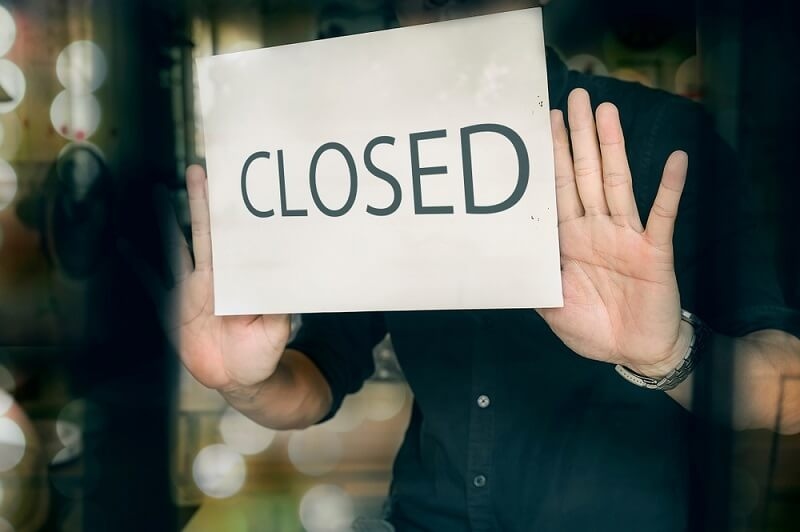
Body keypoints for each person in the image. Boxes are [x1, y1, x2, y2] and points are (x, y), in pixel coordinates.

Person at [165, 1, 800, 530]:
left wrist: (669, 354)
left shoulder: (663, 136)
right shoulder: (373, 162)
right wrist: (241, 382)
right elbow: (317, 379)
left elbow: (787, 393)